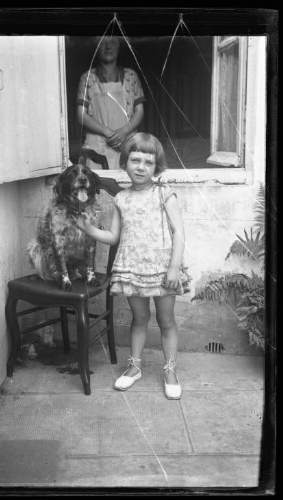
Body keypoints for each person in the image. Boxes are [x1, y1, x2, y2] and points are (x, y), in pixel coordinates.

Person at [76, 133, 191, 399]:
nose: (141, 167)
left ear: (156, 166)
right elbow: (114, 236)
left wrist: (174, 267)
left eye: (148, 162)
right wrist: (89, 228)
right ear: (125, 162)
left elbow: (179, 232)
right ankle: (135, 367)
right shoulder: (121, 199)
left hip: (163, 269)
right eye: (135, 160)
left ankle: (170, 369)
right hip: (133, 268)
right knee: (139, 319)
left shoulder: (164, 193)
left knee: (166, 320)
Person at [77, 36, 146, 170]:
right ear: (96, 48)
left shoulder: (131, 76)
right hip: (97, 149)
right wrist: (108, 133)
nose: (108, 47)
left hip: (126, 145)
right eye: (103, 43)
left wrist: (122, 133)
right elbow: (81, 115)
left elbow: (140, 111)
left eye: (113, 43)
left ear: (119, 47)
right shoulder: (87, 78)